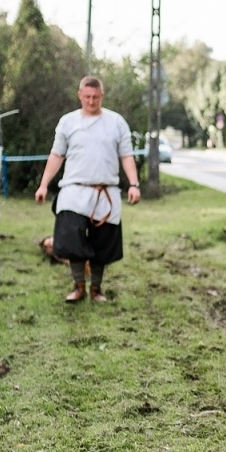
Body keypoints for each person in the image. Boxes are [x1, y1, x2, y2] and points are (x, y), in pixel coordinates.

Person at [34, 76, 141, 302]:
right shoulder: (68, 122)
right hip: (73, 191)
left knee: (102, 243)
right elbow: (56, 155)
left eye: (95, 97)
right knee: (71, 241)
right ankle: (78, 286)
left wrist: (133, 184)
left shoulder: (116, 122)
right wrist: (43, 184)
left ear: (102, 96)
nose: (91, 101)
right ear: (79, 95)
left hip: (106, 192)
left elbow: (126, 156)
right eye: (87, 96)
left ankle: (96, 290)